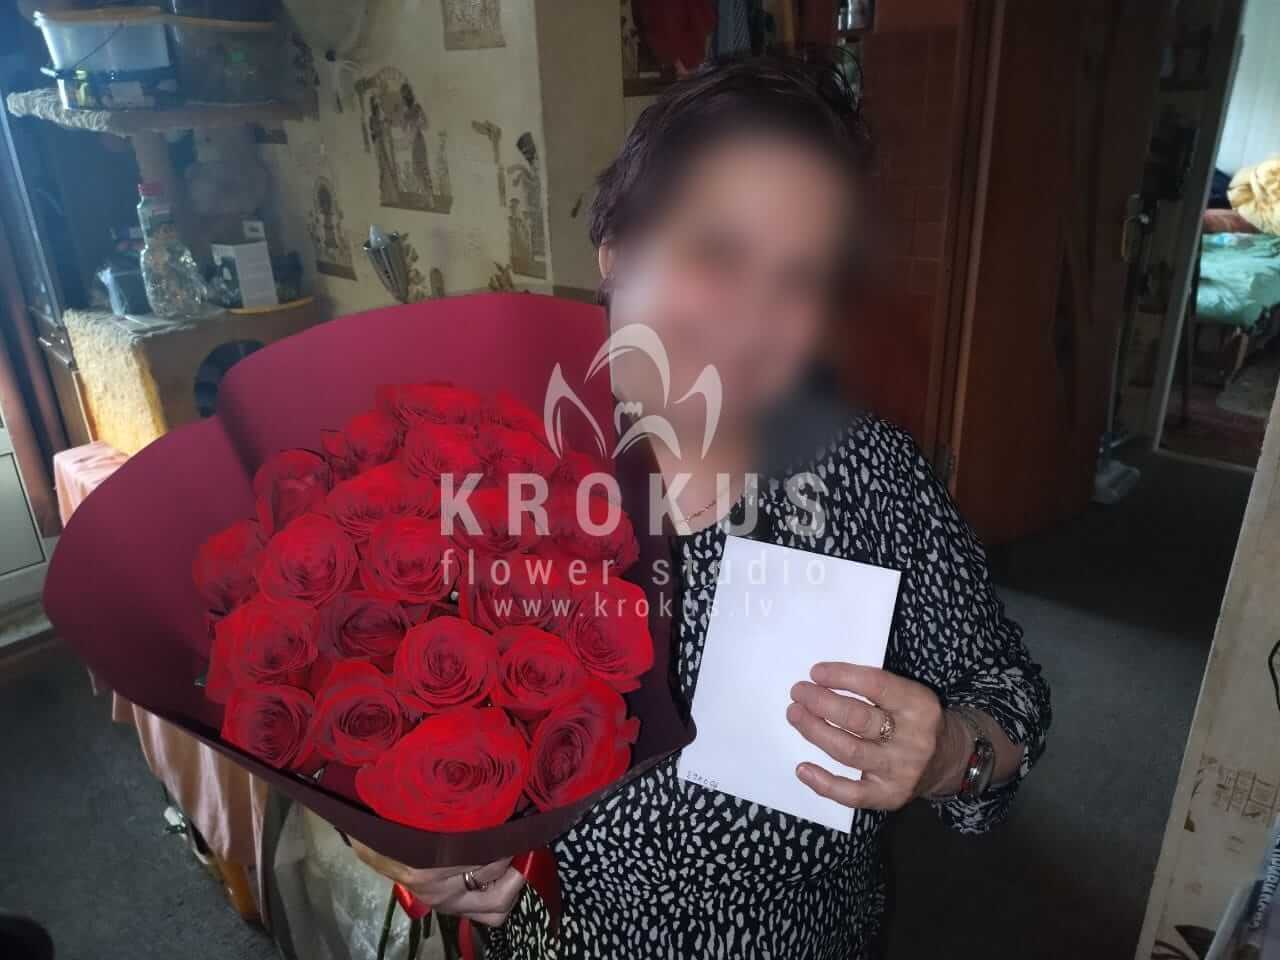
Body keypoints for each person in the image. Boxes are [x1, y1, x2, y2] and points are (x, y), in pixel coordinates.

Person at [354, 54, 1051, 959]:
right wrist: (405, 836)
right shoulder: (491, 468)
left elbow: (1009, 691)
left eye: (800, 277)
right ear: (616, 252)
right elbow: (372, 705)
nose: (755, 315)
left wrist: (953, 751)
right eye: (716, 250)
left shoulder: (867, 471)